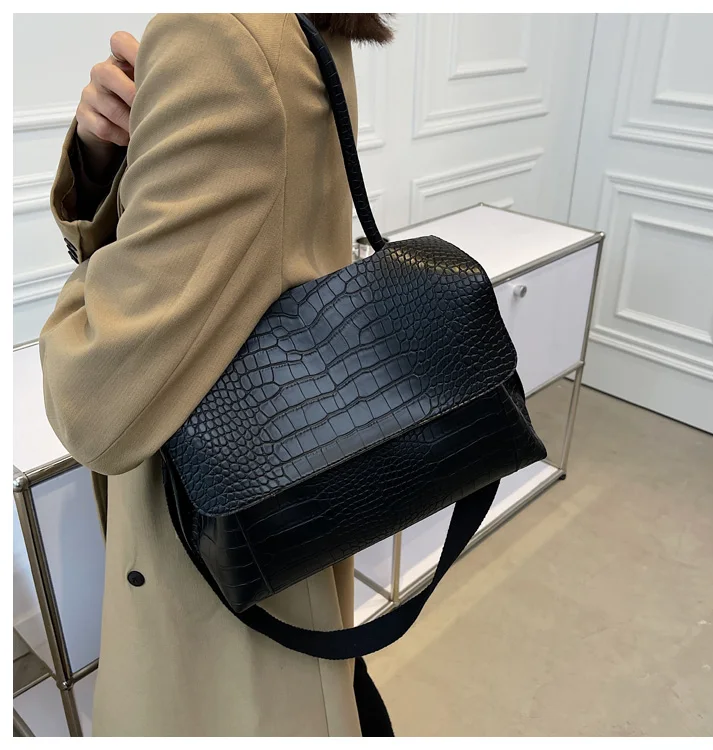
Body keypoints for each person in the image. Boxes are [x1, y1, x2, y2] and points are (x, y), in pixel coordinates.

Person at [40, 12, 394, 737]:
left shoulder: (219, 34)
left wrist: (99, 290)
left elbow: (92, 407)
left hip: (219, 551)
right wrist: (104, 161)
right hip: (283, 497)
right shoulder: (305, 25)